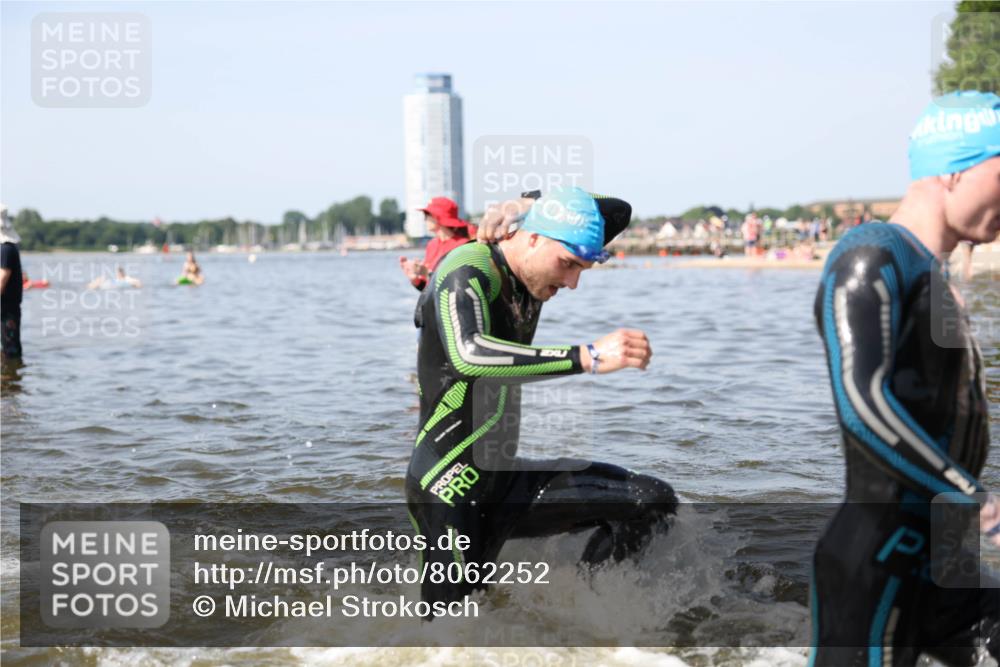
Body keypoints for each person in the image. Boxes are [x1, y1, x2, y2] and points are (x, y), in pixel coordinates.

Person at [407, 187, 677, 607]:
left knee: (651, 501)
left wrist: (526, 205)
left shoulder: (532, 270)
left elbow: (618, 211)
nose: (572, 283)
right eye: (568, 265)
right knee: (450, 635)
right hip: (449, 488)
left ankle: (594, 615)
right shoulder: (466, 269)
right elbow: (468, 355)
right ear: (533, 239)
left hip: (504, 481)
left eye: (582, 270)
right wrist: (587, 357)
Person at [810, 91, 1000, 666]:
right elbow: (861, 403)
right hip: (875, 566)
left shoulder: (933, 276)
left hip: (939, 562)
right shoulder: (871, 256)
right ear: (954, 171)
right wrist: (980, 504)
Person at [398, 196, 472, 291]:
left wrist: (425, 273)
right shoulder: (432, 245)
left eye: (426, 215)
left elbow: (459, 285)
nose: (425, 219)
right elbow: (427, 290)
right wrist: (415, 278)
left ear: (437, 217)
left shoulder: (463, 246)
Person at [0, 205, 23, 360]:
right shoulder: (8, 248)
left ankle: (10, 381)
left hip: (7, 308)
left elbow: (2, 278)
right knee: (8, 346)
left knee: (9, 349)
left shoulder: (5, 249)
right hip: (7, 307)